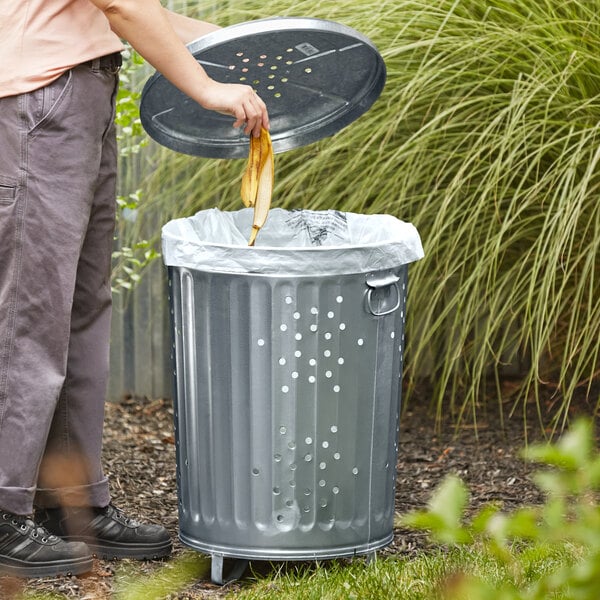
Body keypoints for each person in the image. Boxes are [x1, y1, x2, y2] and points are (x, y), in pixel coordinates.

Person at [0, 0, 270, 579]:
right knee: (31, 310)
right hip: (37, 101)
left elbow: (131, 13)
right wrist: (206, 89)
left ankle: (67, 501)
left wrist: (248, 44)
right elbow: (121, 4)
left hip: (80, 93)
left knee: (78, 306)